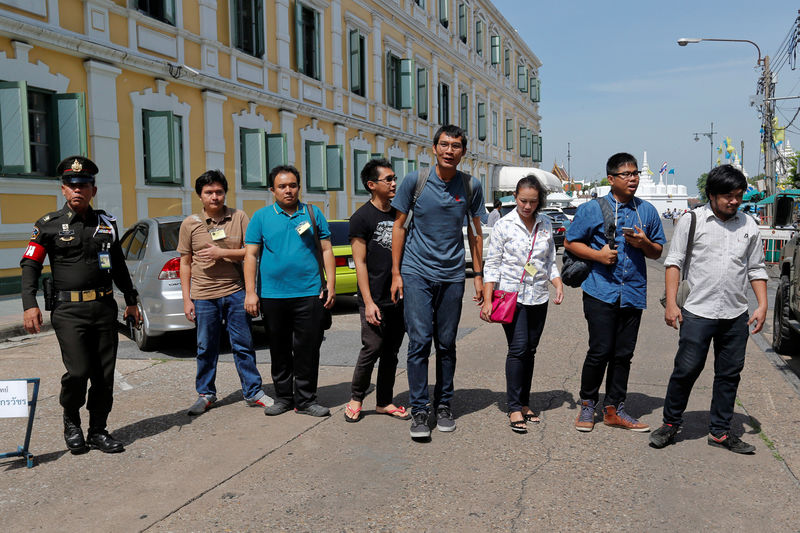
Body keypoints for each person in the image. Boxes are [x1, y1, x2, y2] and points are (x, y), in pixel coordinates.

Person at [21, 155, 141, 454]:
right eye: (72, 185)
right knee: (78, 372)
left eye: (84, 185)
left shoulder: (107, 223)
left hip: (103, 309)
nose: (78, 190)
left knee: (104, 373)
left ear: (93, 190)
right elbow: (30, 265)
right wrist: (29, 304)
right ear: (63, 189)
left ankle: (98, 430)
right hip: (68, 311)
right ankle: (71, 420)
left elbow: (118, 266)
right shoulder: (48, 226)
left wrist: (131, 300)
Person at [650, 165, 768, 454]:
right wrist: (672, 304)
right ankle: (670, 424)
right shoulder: (692, 221)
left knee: (729, 374)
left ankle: (720, 431)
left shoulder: (748, 225)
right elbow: (674, 262)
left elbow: (756, 268)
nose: (735, 201)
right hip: (698, 312)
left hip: (734, 314)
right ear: (711, 195)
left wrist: (763, 305)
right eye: (728, 196)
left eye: (738, 195)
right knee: (686, 369)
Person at [390, 124, 486, 439]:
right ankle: (419, 410)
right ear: (434, 148)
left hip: (452, 275)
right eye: (443, 145)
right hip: (416, 272)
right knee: (419, 342)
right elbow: (399, 227)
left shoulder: (471, 185)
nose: (449, 150)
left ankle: (443, 404)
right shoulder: (414, 181)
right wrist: (396, 272)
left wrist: (479, 275)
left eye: (455, 146)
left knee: (446, 344)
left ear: (463, 151)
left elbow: (475, 232)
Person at [564, 152, 665, 433]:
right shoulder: (592, 209)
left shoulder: (646, 211)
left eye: (636, 174)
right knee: (599, 351)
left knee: (623, 354)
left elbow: (657, 252)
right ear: (611, 179)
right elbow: (571, 242)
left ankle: (613, 409)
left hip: (632, 292)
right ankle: (587, 405)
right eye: (626, 174)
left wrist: (644, 242)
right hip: (600, 290)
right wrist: (598, 256)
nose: (633, 179)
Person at [243, 165, 335, 417]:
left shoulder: (313, 213)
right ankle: (283, 398)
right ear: (272, 190)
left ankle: (306, 400)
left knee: (307, 349)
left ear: (298, 187)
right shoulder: (261, 217)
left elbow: (327, 250)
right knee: (279, 349)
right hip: (273, 296)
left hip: (309, 293)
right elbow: (251, 256)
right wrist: (251, 292)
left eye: (293, 185)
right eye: (282, 186)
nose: (288, 190)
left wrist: (331, 286)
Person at [178, 170, 271, 416]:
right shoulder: (190, 224)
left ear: (225, 193)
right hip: (203, 295)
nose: (215, 197)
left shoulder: (239, 217)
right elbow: (185, 263)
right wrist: (187, 299)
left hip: (235, 291)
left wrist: (222, 254)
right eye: (209, 192)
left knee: (243, 344)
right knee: (205, 346)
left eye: (219, 192)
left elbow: (252, 250)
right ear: (200, 196)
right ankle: (205, 393)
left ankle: (253, 392)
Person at [480, 175, 564, 434]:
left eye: (532, 202)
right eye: (522, 201)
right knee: (517, 348)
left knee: (530, 349)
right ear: (514, 198)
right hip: (510, 296)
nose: (527, 206)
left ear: (539, 202)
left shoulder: (546, 223)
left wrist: (557, 283)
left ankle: (525, 402)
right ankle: (514, 406)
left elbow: (549, 260)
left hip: (538, 295)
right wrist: (487, 299)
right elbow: (492, 264)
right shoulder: (504, 226)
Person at [344, 159, 409, 422]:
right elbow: (359, 263)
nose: (394, 183)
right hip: (374, 298)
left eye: (395, 178)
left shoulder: (400, 215)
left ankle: (384, 401)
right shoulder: (361, 218)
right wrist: (368, 302)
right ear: (372, 185)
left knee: (392, 352)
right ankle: (356, 398)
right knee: (371, 348)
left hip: (398, 298)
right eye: (388, 179)